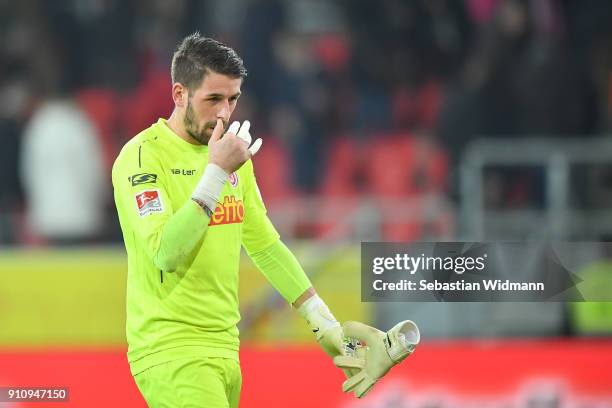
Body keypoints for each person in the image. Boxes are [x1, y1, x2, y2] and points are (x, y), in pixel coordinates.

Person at [111, 33, 346, 407]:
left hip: (224, 346)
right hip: (172, 350)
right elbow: (165, 253)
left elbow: (266, 246)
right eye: (213, 99)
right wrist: (216, 173)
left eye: (233, 99)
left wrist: (324, 323)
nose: (224, 113)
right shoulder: (142, 158)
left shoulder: (230, 158)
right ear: (179, 94)